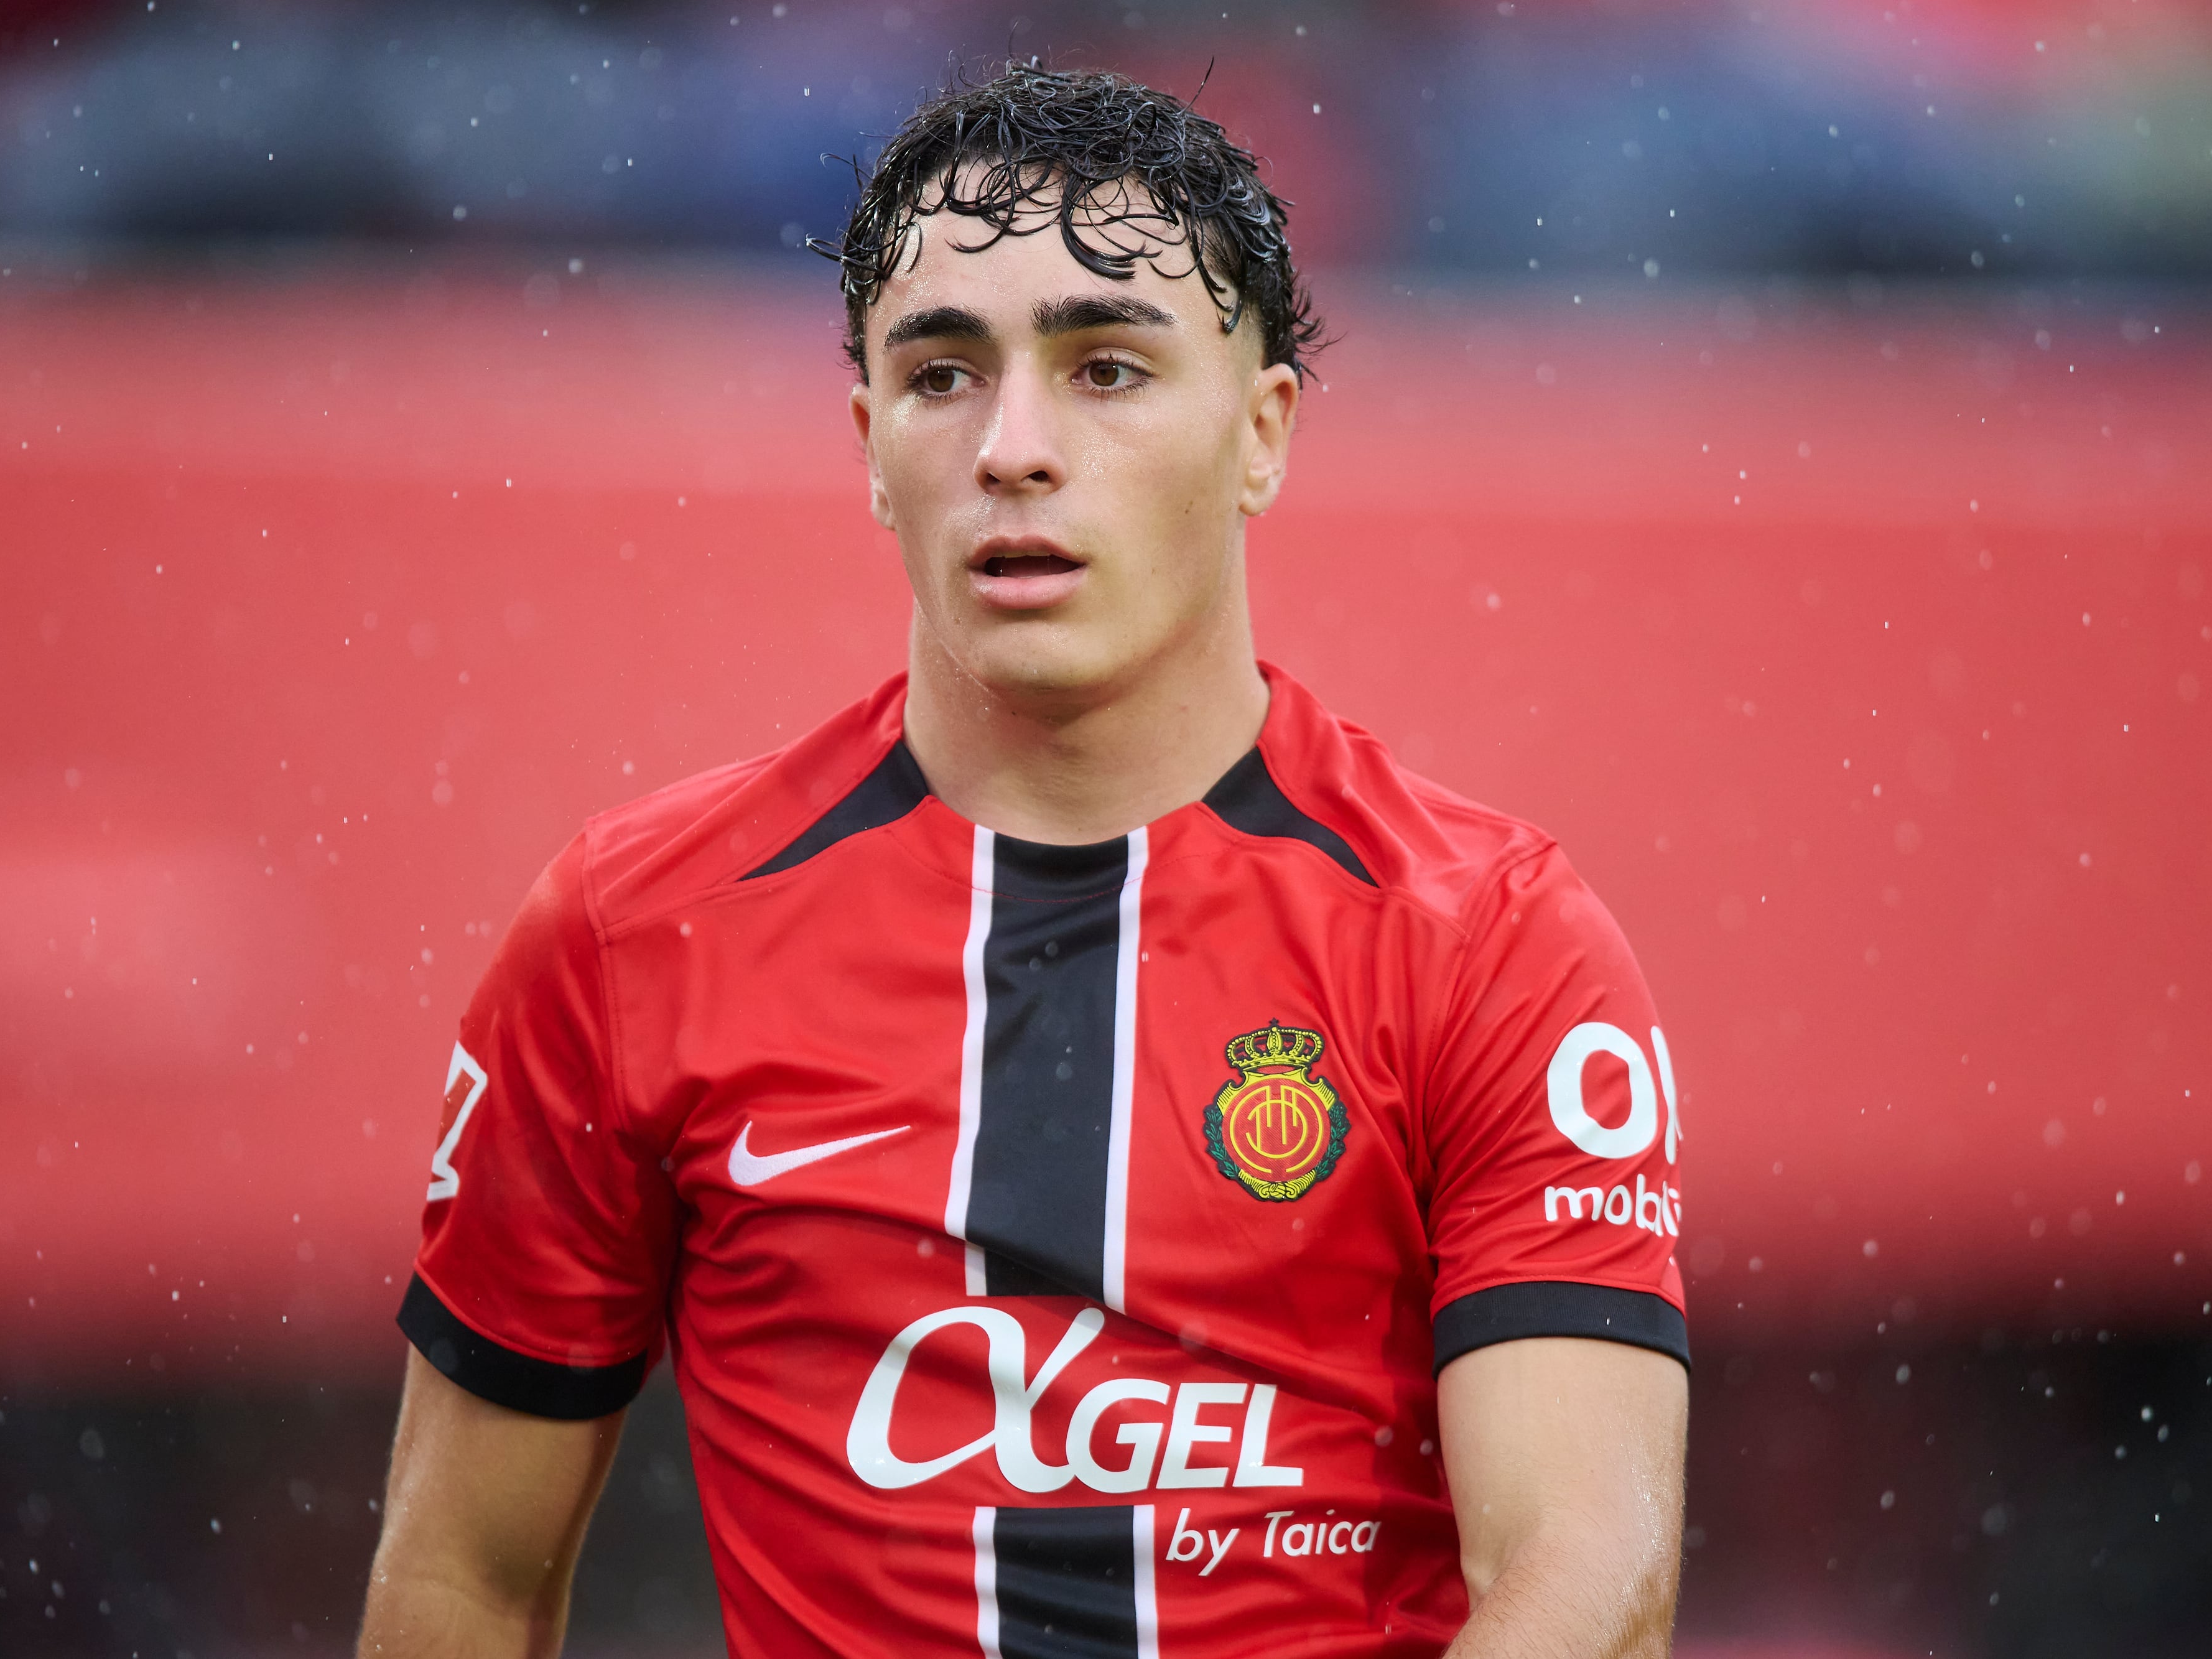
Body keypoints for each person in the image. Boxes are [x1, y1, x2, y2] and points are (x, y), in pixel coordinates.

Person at [359, 60, 1688, 1659]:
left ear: (1261, 434)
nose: (1012, 446)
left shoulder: (1488, 939)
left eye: (1107, 367)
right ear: (866, 442)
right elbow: (462, 1585)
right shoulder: (632, 937)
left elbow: (1587, 1570)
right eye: (939, 375)